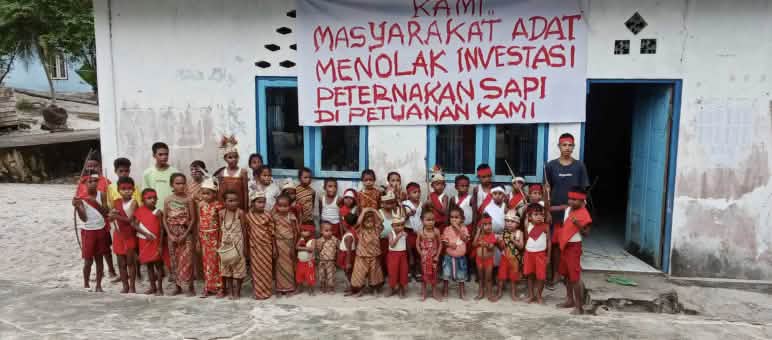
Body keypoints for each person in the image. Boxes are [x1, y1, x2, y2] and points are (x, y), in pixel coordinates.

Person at [544, 133, 589, 286]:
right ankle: (556, 274)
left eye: (570, 145)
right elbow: (546, 191)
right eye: (564, 145)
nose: (567, 148)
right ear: (559, 146)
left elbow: (583, 191)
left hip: (573, 212)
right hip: (556, 212)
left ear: (573, 147)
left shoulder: (579, 166)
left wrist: (582, 211)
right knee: (557, 244)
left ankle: (569, 274)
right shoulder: (550, 166)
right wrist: (547, 211)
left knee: (571, 243)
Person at [108, 176, 152, 294]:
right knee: (121, 263)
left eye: (129, 188)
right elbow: (111, 217)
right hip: (118, 235)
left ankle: (132, 287)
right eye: (123, 189)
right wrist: (111, 215)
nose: (126, 191)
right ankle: (125, 286)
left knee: (130, 263)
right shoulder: (116, 202)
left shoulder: (134, 202)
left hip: (129, 235)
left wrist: (115, 216)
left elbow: (130, 220)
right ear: (118, 190)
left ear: (133, 190)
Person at [76, 154, 117, 280]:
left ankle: (111, 270)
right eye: (89, 166)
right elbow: (79, 201)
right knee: (92, 253)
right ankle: (100, 273)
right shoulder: (82, 183)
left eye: (94, 165)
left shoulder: (105, 181)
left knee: (106, 249)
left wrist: (109, 213)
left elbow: (108, 201)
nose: (91, 168)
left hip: (103, 221)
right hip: (89, 222)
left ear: (99, 167)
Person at [73, 172, 111, 292]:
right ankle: (86, 284)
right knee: (88, 261)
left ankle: (99, 285)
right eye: (90, 181)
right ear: (84, 184)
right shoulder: (81, 198)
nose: (93, 183)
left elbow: (106, 213)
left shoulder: (102, 195)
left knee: (100, 259)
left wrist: (95, 202)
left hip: (101, 229)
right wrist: (78, 207)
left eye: (95, 181)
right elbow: (83, 218)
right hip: (88, 231)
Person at [557, 186, 593, 314]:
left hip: (574, 247)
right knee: (566, 274)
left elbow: (587, 233)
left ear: (582, 201)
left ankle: (579, 307)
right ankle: (569, 300)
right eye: (570, 198)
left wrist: (578, 224)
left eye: (575, 199)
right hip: (565, 246)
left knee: (575, 277)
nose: (571, 201)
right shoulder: (568, 210)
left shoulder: (584, 213)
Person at [164, 173, 196, 296]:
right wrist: (169, 234)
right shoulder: (168, 199)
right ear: (172, 184)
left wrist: (185, 234)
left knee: (187, 260)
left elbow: (193, 219)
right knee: (174, 260)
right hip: (172, 233)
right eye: (177, 183)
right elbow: (165, 219)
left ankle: (190, 287)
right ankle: (177, 287)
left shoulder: (189, 199)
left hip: (185, 232)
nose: (181, 186)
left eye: (183, 183)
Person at [134, 188, 165, 296]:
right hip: (145, 241)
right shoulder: (140, 211)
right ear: (143, 199)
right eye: (149, 198)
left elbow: (161, 229)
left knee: (158, 266)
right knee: (149, 266)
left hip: (156, 242)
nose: (152, 200)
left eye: (154, 198)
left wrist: (161, 245)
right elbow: (135, 225)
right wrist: (146, 234)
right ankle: (153, 287)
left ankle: (160, 289)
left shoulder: (158, 212)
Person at [197, 177, 224, 298]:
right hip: (204, 236)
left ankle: (220, 287)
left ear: (214, 193)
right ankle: (208, 287)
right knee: (206, 262)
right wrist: (198, 239)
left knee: (217, 262)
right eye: (203, 193)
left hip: (215, 236)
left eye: (208, 193)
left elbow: (221, 223)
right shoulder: (201, 205)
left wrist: (220, 239)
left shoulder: (218, 206)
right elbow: (199, 222)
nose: (205, 196)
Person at [245, 190, 275, 300]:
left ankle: (267, 292)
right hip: (255, 247)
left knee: (266, 270)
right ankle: (258, 292)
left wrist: (274, 247)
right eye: (259, 202)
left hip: (266, 246)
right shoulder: (248, 216)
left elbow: (272, 232)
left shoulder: (268, 215)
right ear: (252, 203)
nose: (262, 204)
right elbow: (247, 232)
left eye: (263, 202)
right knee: (257, 270)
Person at [348, 208, 384, 297]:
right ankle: (359, 290)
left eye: (371, 221)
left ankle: (374, 289)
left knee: (375, 273)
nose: (369, 222)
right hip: (362, 255)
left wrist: (374, 210)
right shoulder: (360, 230)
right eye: (367, 221)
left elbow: (381, 220)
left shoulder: (376, 230)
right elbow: (358, 223)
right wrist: (364, 211)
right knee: (359, 274)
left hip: (374, 255)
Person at [219, 190, 247, 300]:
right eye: (230, 201)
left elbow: (244, 230)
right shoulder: (221, 213)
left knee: (239, 268)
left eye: (236, 201)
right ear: (224, 202)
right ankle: (230, 291)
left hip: (238, 245)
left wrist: (245, 247)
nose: (233, 203)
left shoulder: (240, 213)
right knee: (227, 268)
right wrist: (219, 245)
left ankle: (237, 292)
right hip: (226, 245)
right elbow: (220, 231)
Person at [523, 203, 551, 304]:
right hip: (529, 253)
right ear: (530, 217)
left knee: (541, 277)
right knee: (530, 275)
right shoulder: (527, 225)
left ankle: (539, 295)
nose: (539, 216)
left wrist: (548, 256)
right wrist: (524, 255)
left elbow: (549, 242)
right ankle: (531, 295)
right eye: (535, 214)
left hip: (541, 254)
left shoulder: (546, 226)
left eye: (541, 214)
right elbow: (526, 239)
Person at [495, 210, 524, 302]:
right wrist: (500, 243)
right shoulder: (503, 233)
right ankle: (499, 293)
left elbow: (521, 246)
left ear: (518, 223)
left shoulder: (519, 233)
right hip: (504, 258)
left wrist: (513, 240)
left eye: (512, 222)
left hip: (515, 259)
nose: (509, 224)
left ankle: (513, 294)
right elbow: (501, 248)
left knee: (513, 278)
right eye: (507, 221)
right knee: (501, 276)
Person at [441, 207, 470, 300]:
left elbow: (465, 239)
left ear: (462, 219)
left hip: (460, 257)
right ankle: (445, 290)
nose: (454, 219)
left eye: (456, 217)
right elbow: (444, 241)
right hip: (449, 257)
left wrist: (458, 228)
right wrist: (449, 244)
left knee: (461, 274)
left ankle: (461, 291)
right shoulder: (447, 229)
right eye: (452, 217)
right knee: (446, 273)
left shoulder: (464, 229)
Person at [273, 194, 299, 296]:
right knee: (279, 267)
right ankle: (280, 289)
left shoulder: (291, 217)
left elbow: (295, 232)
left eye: (285, 206)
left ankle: (289, 288)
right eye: (280, 206)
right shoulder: (274, 217)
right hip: (279, 244)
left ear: (289, 206)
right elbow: (273, 233)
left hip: (289, 244)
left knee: (289, 266)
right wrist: (274, 247)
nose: (283, 208)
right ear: (276, 206)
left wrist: (293, 247)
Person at [449, 175, 474, 281]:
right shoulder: (453, 199)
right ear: (456, 187)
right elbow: (449, 214)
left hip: (467, 227)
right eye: (461, 186)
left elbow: (475, 213)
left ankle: (466, 271)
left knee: (466, 250)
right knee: (456, 248)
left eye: (466, 186)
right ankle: (454, 271)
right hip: (455, 228)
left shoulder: (471, 198)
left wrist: (474, 227)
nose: (464, 188)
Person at [215, 136, 249, 211]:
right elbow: (220, 193)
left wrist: (246, 209)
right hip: (226, 208)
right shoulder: (222, 173)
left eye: (236, 157)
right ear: (225, 159)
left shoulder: (243, 172)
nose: (233, 159)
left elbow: (245, 192)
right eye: (230, 157)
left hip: (239, 207)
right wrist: (220, 209)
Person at [142, 142, 178, 212]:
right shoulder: (147, 173)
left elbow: (179, 194)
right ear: (154, 155)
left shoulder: (175, 172)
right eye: (160, 154)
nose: (164, 157)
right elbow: (145, 194)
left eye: (166, 154)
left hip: (172, 212)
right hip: (154, 211)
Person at [187, 160, 207, 281]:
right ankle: (197, 273)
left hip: (205, 217)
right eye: (192, 170)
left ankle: (207, 272)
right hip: (193, 218)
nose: (194, 172)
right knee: (195, 245)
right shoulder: (188, 185)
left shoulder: (207, 183)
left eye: (197, 170)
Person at [417, 208, 441, 301]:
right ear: (423, 221)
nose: (430, 222)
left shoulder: (436, 231)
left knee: (434, 275)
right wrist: (421, 254)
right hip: (424, 257)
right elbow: (417, 244)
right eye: (428, 220)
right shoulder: (420, 232)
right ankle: (424, 293)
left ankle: (434, 292)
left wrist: (438, 256)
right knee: (424, 275)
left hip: (434, 257)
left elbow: (440, 244)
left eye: (432, 220)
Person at [379, 190, 404, 276]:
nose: (390, 205)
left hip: (396, 240)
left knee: (393, 260)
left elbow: (402, 219)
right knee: (383, 258)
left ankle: (393, 273)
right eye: (387, 203)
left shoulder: (397, 210)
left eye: (392, 202)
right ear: (382, 203)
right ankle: (383, 274)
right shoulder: (379, 212)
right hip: (383, 241)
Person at [402, 182, 423, 282]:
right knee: (408, 253)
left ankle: (417, 271)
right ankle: (409, 271)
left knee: (418, 253)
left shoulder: (422, 204)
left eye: (419, 192)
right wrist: (408, 214)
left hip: (419, 233)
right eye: (414, 192)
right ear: (408, 194)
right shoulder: (405, 204)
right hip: (408, 232)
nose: (417, 194)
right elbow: (401, 218)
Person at [473, 214, 496, 301]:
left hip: (488, 261)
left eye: (490, 224)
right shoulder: (479, 236)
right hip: (479, 260)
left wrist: (486, 244)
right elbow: (474, 244)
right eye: (485, 224)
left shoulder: (492, 235)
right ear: (481, 226)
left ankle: (489, 294)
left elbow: (492, 247)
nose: (488, 226)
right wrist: (478, 233)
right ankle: (481, 293)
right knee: (480, 278)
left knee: (489, 278)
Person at [386, 216, 409, 298]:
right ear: (392, 226)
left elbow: (406, 245)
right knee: (393, 272)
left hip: (402, 254)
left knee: (403, 271)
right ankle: (391, 288)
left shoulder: (404, 233)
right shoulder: (390, 233)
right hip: (393, 255)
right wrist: (398, 237)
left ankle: (401, 288)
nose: (400, 227)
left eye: (402, 225)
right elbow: (392, 245)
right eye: (397, 225)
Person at [337, 213, 358, 293]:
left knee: (348, 273)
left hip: (347, 256)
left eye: (343, 221)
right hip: (346, 254)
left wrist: (348, 263)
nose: (342, 223)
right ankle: (351, 287)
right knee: (348, 273)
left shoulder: (349, 236)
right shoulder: (351, 231)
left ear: (346, 223)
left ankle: (352, 288)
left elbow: (349, 250)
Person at [316, 223, 339, 294]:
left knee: (330, 275)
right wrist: (322, 243)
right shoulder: (319, 240)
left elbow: (338, 248)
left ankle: (331, 288)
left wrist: (337, 257)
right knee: (321, 275)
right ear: (321, 231)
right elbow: (318, 249)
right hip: (322, 261)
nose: (329, 232)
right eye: (326, 230)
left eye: (330, 230)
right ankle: (322, 287)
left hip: (331, 261)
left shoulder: (334, 239)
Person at [296, 224, 317, 296]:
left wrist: (302, 248)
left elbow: (312, 249)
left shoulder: (313, 240)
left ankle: (311, 289)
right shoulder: (301, 239)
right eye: (302, 231)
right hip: (301, 261)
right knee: (299, 275)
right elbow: (297, 247)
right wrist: (306, 248)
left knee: (310, 275)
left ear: (310, 232)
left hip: (309, 262)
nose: (302, 232)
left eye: (305, 231)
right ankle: (300, 288)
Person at [427, 167, 449, 233]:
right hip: (432, 222)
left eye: (442, 184)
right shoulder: (430, 196)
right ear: (432, 186)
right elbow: (428, 209)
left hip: (441, 222)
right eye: (437, 184)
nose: (440, 186)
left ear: (444, 185)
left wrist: (433, 206)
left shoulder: (444, 197)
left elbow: (444, 211)